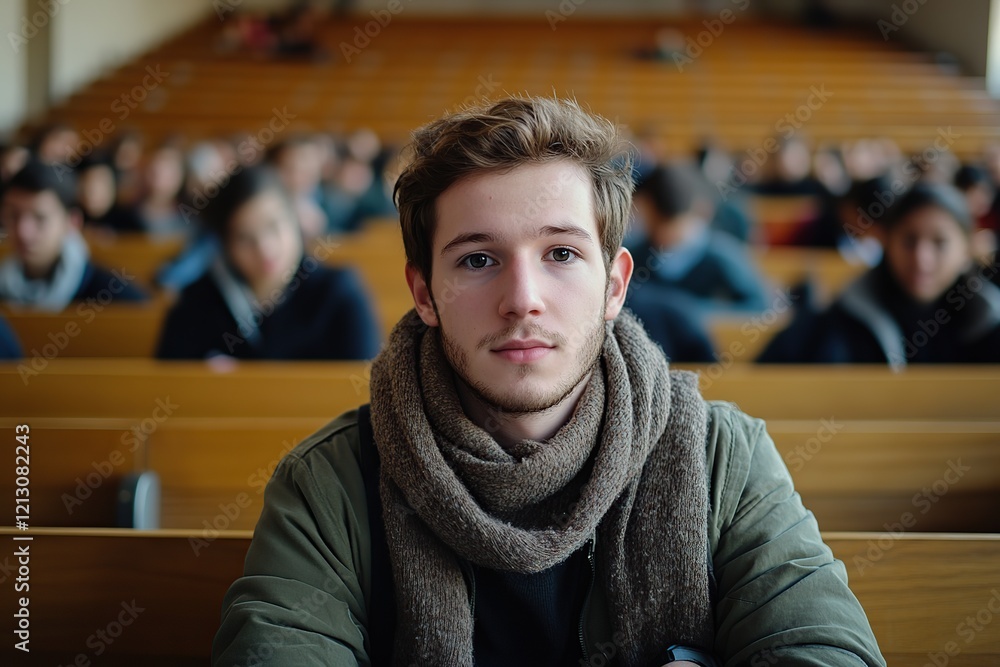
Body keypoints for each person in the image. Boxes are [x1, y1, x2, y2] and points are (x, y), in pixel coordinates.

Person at [213, 97, 884, 666]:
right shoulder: (328, 483)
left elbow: (823, 650)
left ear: (615, 285)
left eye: (561, 253)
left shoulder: (724, 458)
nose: (523, 299)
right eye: (478, 259)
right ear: (424, 293)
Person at [760, 182, 1000, 366]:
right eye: (909, 240)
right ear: (887, 242)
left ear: (966, 250)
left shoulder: (991, 326)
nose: (922, 259)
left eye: (940, 243)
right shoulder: (840, 322)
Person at [155, 167, 380, 360]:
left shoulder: (338, 291)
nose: (265, 249)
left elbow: (367, 386)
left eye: (273, 226)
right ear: (225, 244)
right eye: (244, 237)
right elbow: (169, 384)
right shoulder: (197, 302)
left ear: (294, 220)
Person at [0, 160, 148, 309]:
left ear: (72, 222)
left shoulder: (117, 299)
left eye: (40, 218)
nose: (23, 232)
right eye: (13, 215)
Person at [628, 163, 770, 315]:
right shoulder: (636, 257)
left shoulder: (722, 256)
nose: (663, 233)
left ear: (699, 212)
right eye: (654, 223)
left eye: (671, 224)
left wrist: (691, 310)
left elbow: (759, 305)